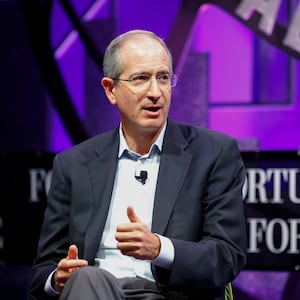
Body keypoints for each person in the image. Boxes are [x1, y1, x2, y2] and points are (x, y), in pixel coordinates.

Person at [28, 29, 247, 300]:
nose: (155, 92)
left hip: (168, 294)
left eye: (163, 78)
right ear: (110, 89)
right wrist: (57, 279)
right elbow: (41, 274)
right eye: (141, 79)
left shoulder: (213, 154)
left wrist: (159, 248)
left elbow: (227, 257)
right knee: (88, 278)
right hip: (92, 291)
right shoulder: (74, 164)